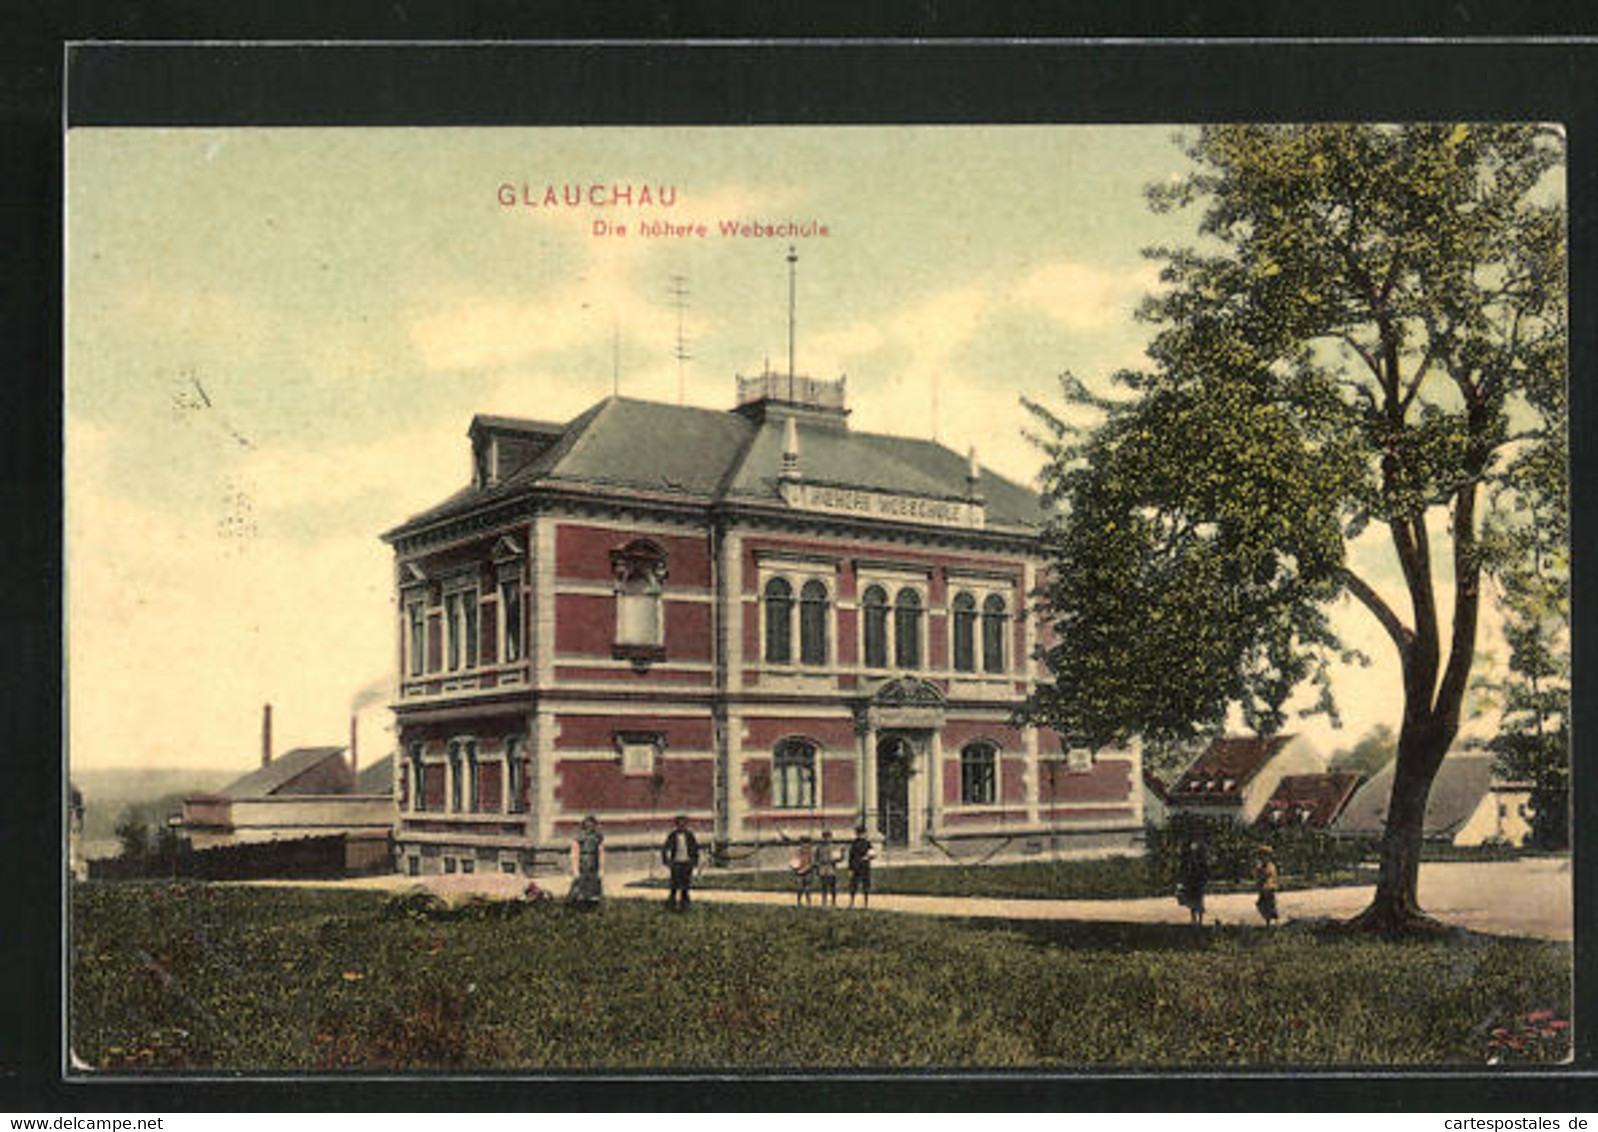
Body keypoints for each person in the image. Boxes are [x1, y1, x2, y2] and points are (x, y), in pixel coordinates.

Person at [661, 813, 700, 911]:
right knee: (674, 885)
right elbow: (665, 848)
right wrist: (667, 861)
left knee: (685, 885)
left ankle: (685, 905)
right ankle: (671, 904)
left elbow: (695, 848)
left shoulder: (689, 835)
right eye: (679, 824)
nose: (681, 826)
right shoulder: (673, 835)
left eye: (683, 824)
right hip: (676, 863)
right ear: (676, 825)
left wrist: (694, 861)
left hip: (687, 863)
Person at [567, 814, 604, 908]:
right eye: (587, 825)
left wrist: (601, 868)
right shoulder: (579, 837)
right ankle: (578, 904)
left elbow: (601, 852)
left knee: (593, 884)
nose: (589, 827)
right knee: (580, 884)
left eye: (592, 825)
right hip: (582, 862)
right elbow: (575, 853)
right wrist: (575, 869)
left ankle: (592, 904)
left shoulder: (597, 837)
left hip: (593, 862)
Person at [1177, 838, 1210, 925]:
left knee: (1199, 901)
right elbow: (1186, 871)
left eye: (1195, 848)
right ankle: (1193, 919)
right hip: (1192, 883)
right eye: (1192, 848)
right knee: (1192, 902)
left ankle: (1199, 920)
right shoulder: (1189, 860)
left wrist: (1203, 880)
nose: (1193, 850)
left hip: (1198, 883)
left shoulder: (1200, 860)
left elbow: (1204, 871)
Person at [846, 824, 875, 909]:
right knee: (862, 885)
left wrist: (850, 868)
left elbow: (851, 857)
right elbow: (872, 854)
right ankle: (863, 903)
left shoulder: (857, 843)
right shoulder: (865, 843)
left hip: (858, 867)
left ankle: (854, 902)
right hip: (862, 867)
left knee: (856, 885)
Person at [1255, 843, 1280, 926]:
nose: (1262, 857)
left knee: (1268, 904)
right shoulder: (1262, 866)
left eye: (1264, 855)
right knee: (1262, 904)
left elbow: (1267, 875)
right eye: (1261, 855)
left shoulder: (1269, 866)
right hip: (1264, 888)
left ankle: (1272, 921)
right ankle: (1269, 920)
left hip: (1268, 888)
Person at [814, 830, 840, 907]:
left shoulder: (834, 847)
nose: (827, 839)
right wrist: (818, 867)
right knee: (824, 886)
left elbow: (838, 858)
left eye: (828, 837)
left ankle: (833, 901)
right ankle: (824, 901)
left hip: (831, 868)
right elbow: (816, 858)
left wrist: (840, 856)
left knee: (832, 886)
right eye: (825, 837)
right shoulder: (819, 848)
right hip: (823, 868)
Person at [791, 835, 816, 906]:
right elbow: (794, 861)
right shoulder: (798, 852)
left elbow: (812, 862)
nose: (805, 846)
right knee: (800, 888)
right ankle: (799, 901)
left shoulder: (810, 852)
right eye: (803, 844)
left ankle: (809, 902)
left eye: (807, 844)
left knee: (807, 889)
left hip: (807, 872)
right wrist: (795, 867)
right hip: (800, 872)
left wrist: (809, 867)